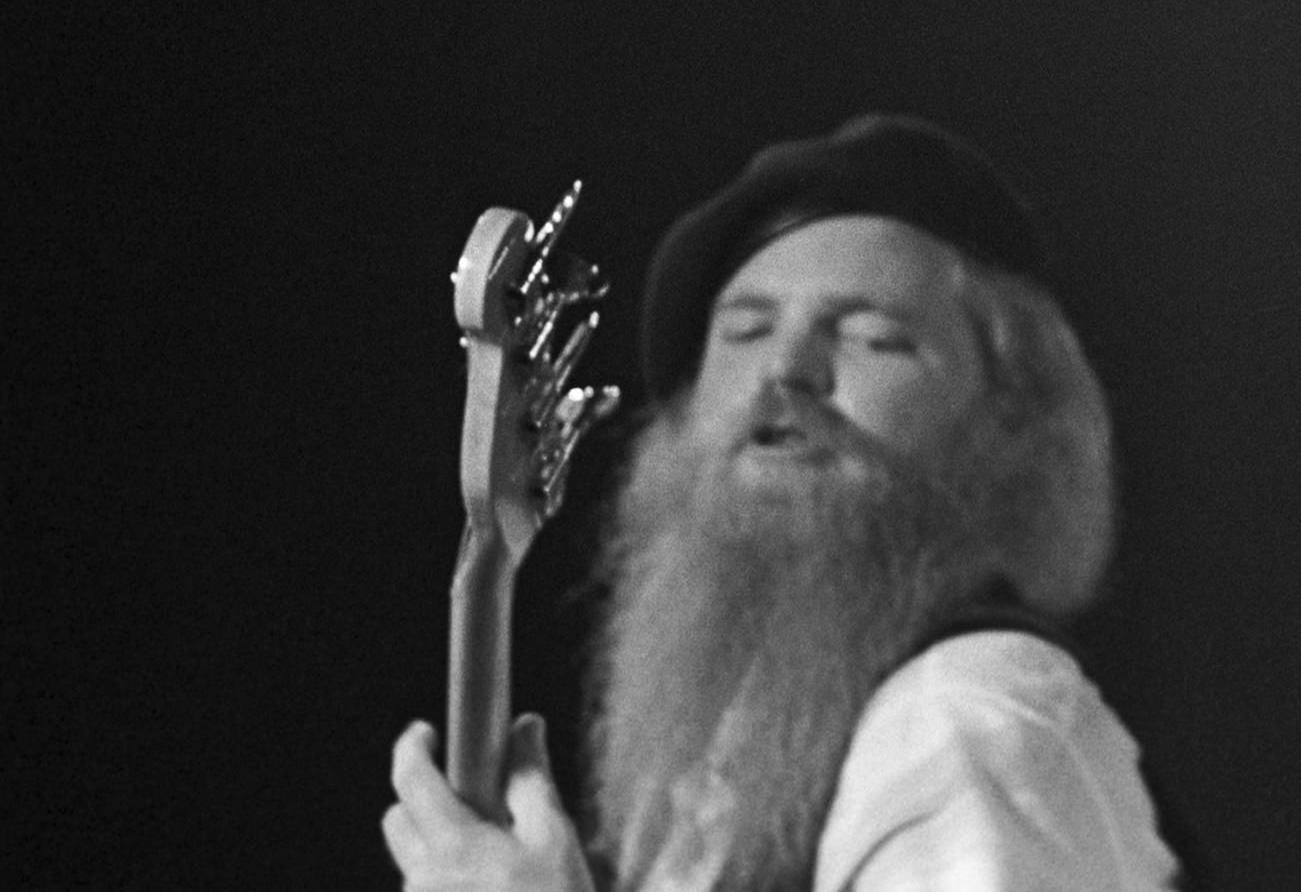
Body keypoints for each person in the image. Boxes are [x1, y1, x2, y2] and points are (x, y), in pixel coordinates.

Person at [384, 113, 1183, 891]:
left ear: (1008, 425)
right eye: (745, 330)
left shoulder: (965, 719)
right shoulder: (736, 772)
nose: (786, 369)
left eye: (872, 337)